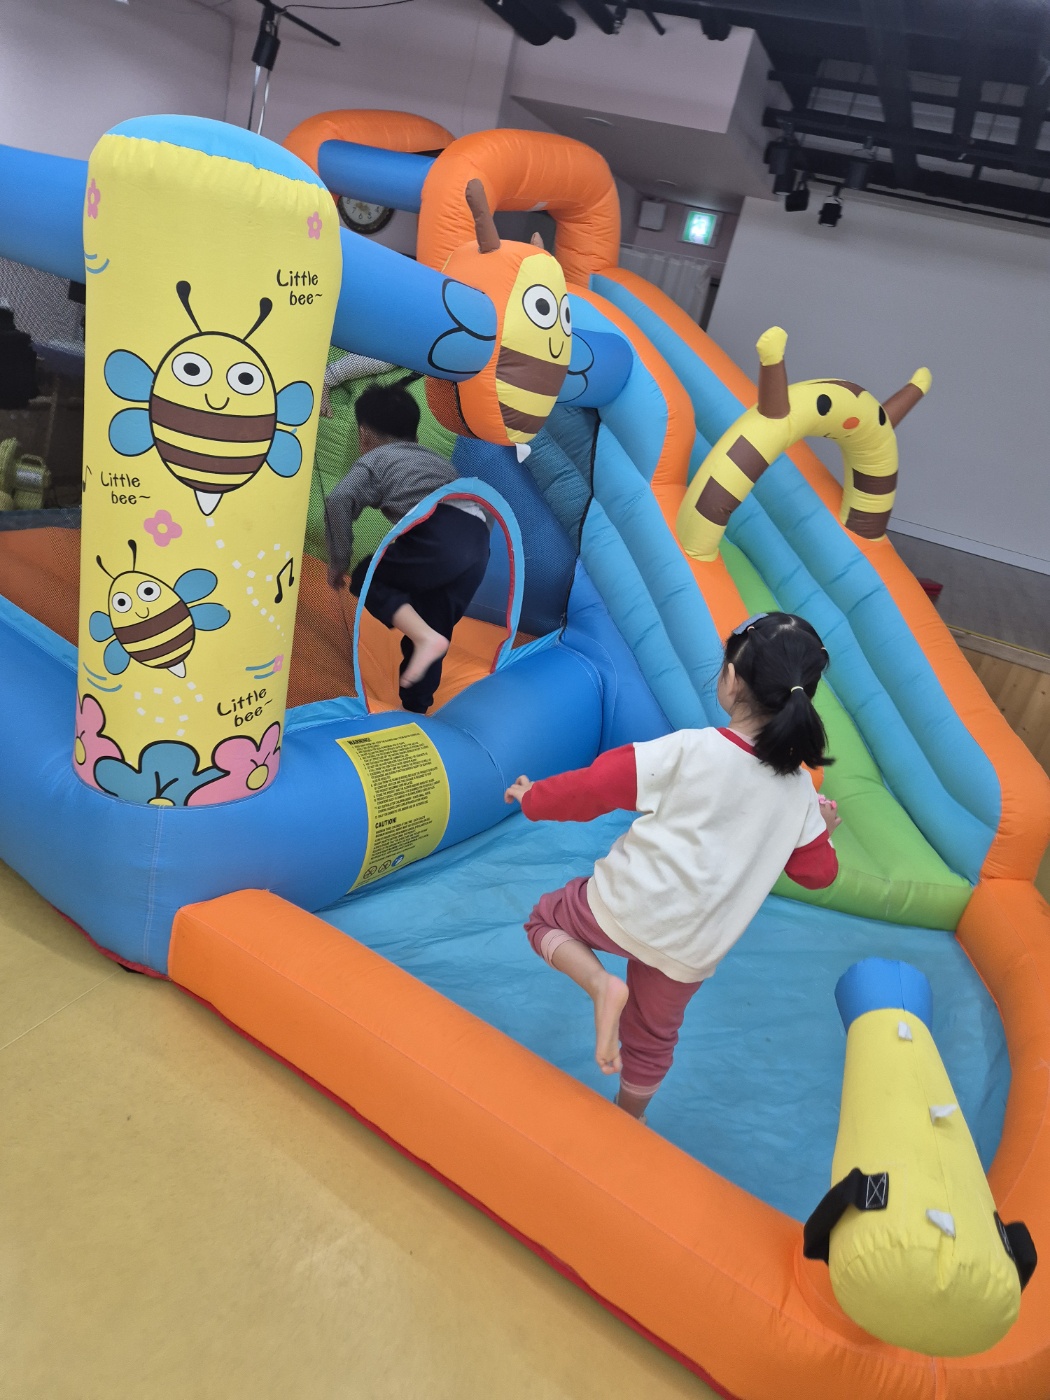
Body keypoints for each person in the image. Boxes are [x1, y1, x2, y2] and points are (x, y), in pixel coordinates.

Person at [504, 611, 842, 1121]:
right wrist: (823, 832)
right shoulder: (799, 793)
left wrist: (534, 798)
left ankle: (600, 985)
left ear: (730, 679)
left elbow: (595, 788)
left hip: (625, 906)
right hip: (693, 945)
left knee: (544, 921)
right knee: (653, 1038)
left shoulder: (690, 750)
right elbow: (817, 875)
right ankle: (627, 1122)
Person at [325, 383, 491, 714]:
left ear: (364, 434)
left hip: (441, 533)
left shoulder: (375, 460)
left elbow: (339, 500)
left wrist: (338, 560)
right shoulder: (435, 460)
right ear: (414, 432)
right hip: (478, 542)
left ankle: (426, 642)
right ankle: (416, 708)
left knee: (368, 575)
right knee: (430, 623)